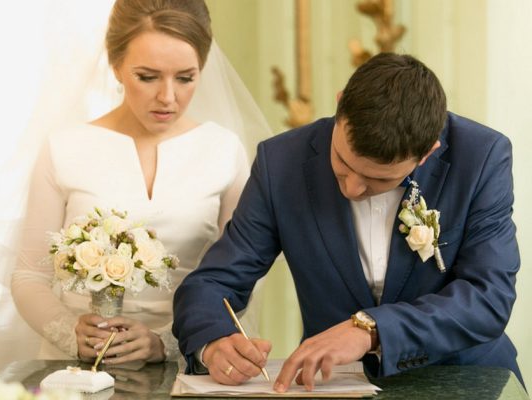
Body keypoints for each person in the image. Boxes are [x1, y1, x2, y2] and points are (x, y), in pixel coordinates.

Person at [172, 52, 523, 390]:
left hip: (465, 379)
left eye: (379, 180)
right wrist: (214, 341)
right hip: (332, 384)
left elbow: (487, 298)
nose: (353, 188)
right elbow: (213, 283)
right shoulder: (281, 162)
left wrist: (371, 330)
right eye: (343, 161)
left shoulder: (480, 158)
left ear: (427, 153)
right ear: (340, 104)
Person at [8, 0, 269, 369]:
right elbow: (29, 274)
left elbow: (241, 280)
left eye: (185, 78)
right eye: (147, 77)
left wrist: (166, 341)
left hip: (184, 364)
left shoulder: (223, 151)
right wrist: (72, 333)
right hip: (75, 371)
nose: (167, 97)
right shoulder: (65, 147)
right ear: (116, 66)